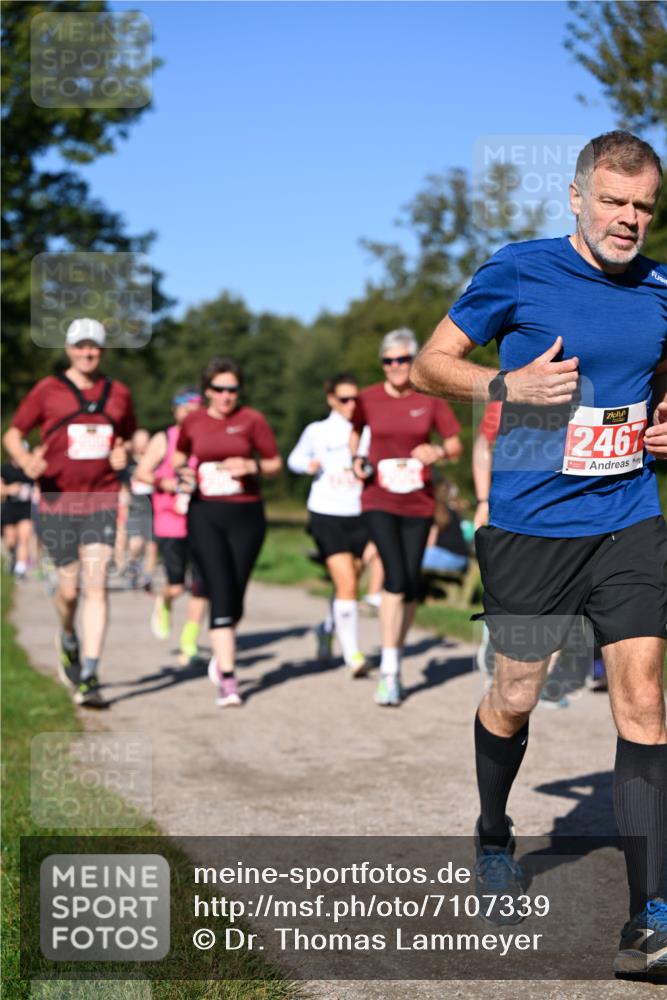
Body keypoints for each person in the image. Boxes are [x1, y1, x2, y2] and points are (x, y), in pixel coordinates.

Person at [410, 131, 667, 975]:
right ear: (576, 199)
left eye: (641, 207)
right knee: (515, 691)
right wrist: (502, 386)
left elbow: (657, 378)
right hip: (529, 522)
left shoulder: (662, 286)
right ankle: (492, 831)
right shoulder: (518, 269)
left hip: (627, 512)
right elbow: (427, 363)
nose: (627, 219)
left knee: (642, 699)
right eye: (613, 201)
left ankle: (649, 916)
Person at [3, 317, 136, 706]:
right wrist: (26, 461)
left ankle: (91, 675)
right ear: (68, 349)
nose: (87, 352)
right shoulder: (48, 390)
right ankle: (68, 636)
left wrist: (122, 453)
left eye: (93, 346)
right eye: (80, 345)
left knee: (96, 587)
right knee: (69, 590)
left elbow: (127, 433)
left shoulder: (119, 393)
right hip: (57, 500)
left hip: (101, 499)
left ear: (103, 350)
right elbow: (13, 434)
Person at [350, 328, 463, 707]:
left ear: (414, 361)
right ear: (382, 364)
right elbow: (354, 433)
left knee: (410, 580)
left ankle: (393, 651)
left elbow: (455, 444)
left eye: (402, 359)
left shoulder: (429, 399)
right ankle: (389, 671)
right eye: (389, 361)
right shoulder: (367, 398)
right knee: (395, 577)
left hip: (418, 502)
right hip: (378, 498)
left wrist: (437, 452)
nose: (396, 367)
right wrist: (356, 460)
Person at [173, 358, 282, 707]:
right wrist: (184, 474)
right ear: (207, 391)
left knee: (234, 595)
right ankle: (229, 678)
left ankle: (222, 651)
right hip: (205, 514)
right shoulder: (193, 421)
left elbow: (275, 464)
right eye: (219, 389)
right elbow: (179, 458)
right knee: (218, 587)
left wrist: (251, 465)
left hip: (246, 514)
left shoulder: (252, 420)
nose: (225, 396)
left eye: (232, 389)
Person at [287, 373, 369, 677]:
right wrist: (308, 464)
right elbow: (293, 459)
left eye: (355, 398)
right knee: (347, 582)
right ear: (331, 400)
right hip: (326, 512)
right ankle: (353, 655)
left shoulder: (367, 431)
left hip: (360, 513)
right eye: (344, 399)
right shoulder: (317, 431)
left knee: (348, 583)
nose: (351, 404)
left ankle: (326, 629)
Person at [134, 388, 207, 663]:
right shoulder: (164, 438)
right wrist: (162, 482)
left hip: (203, 519)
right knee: (178, 586)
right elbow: (142, 471)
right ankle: (164, 601)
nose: (190, 417)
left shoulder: (206, 437)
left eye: (195, 411)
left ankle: (189, 641)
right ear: (175, 411)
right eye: (185, 411)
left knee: (203, 584)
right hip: (170, 519)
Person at [120, 428, 157, 590]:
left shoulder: (156, 461)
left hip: (154, 507)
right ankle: (134, 567)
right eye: (140, 440)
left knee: (152, 545)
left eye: (146, 440)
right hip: (135, 506)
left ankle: (148, 578)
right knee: (135, 543)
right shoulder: (128, 463)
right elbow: (122, 484)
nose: (143, 444)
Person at [1, 455, 35, 579]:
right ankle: (13, 557)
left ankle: (20, 569)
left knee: (24, 538)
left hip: (26, 509)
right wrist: (9, 489)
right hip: (9, 509)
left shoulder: (30, 469)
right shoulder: (4, 469)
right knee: (11, 540)